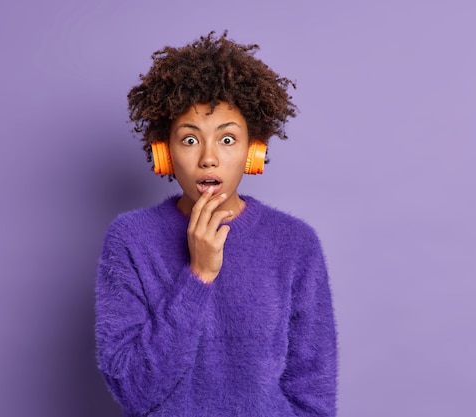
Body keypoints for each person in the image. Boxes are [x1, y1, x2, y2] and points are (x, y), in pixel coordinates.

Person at [95, 31, 337, 417]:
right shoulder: (129, 240)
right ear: (165, 152)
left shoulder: (295, 243)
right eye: (190, 141)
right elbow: (133, 389)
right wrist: (198, 277)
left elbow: (313, 395)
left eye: (227, 139)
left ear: (252, 151)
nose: (208, 158)